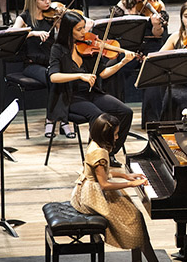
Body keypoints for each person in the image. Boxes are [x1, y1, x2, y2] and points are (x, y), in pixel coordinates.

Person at [71, 113, 178, 262]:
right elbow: (104, 184)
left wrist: (126, 176)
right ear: (106, 135)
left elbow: (100, 173)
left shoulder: (94, 144)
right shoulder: (100, 154)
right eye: (115, 133)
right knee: (134, 217)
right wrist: (130, 184)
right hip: (93, 197)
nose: (117, 136)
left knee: (134, 214)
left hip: (86, 190)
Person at [49, 10, 133, 162]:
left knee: (125, 111)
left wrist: (122, 62)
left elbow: (103, 73)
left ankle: (109, 152)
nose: (84, 32)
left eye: (84, 28)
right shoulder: (58, 49)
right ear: (69, 30)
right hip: (70, 97)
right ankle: (93, 159)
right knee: (98, 116)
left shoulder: (87, 46)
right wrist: (80, 75)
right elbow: (54, 77)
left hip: (91, 93)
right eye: (79, 29)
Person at [11, 0, 75, 139]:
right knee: (54, 78)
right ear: (34, 1)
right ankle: (54, 120)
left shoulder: (53, 17)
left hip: (51, 63)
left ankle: (62, 121)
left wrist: (63, 23)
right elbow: (11, 35)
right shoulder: (25, 18)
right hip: (32, 66)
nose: (48, 2)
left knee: (65, 76)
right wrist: (32, 33)